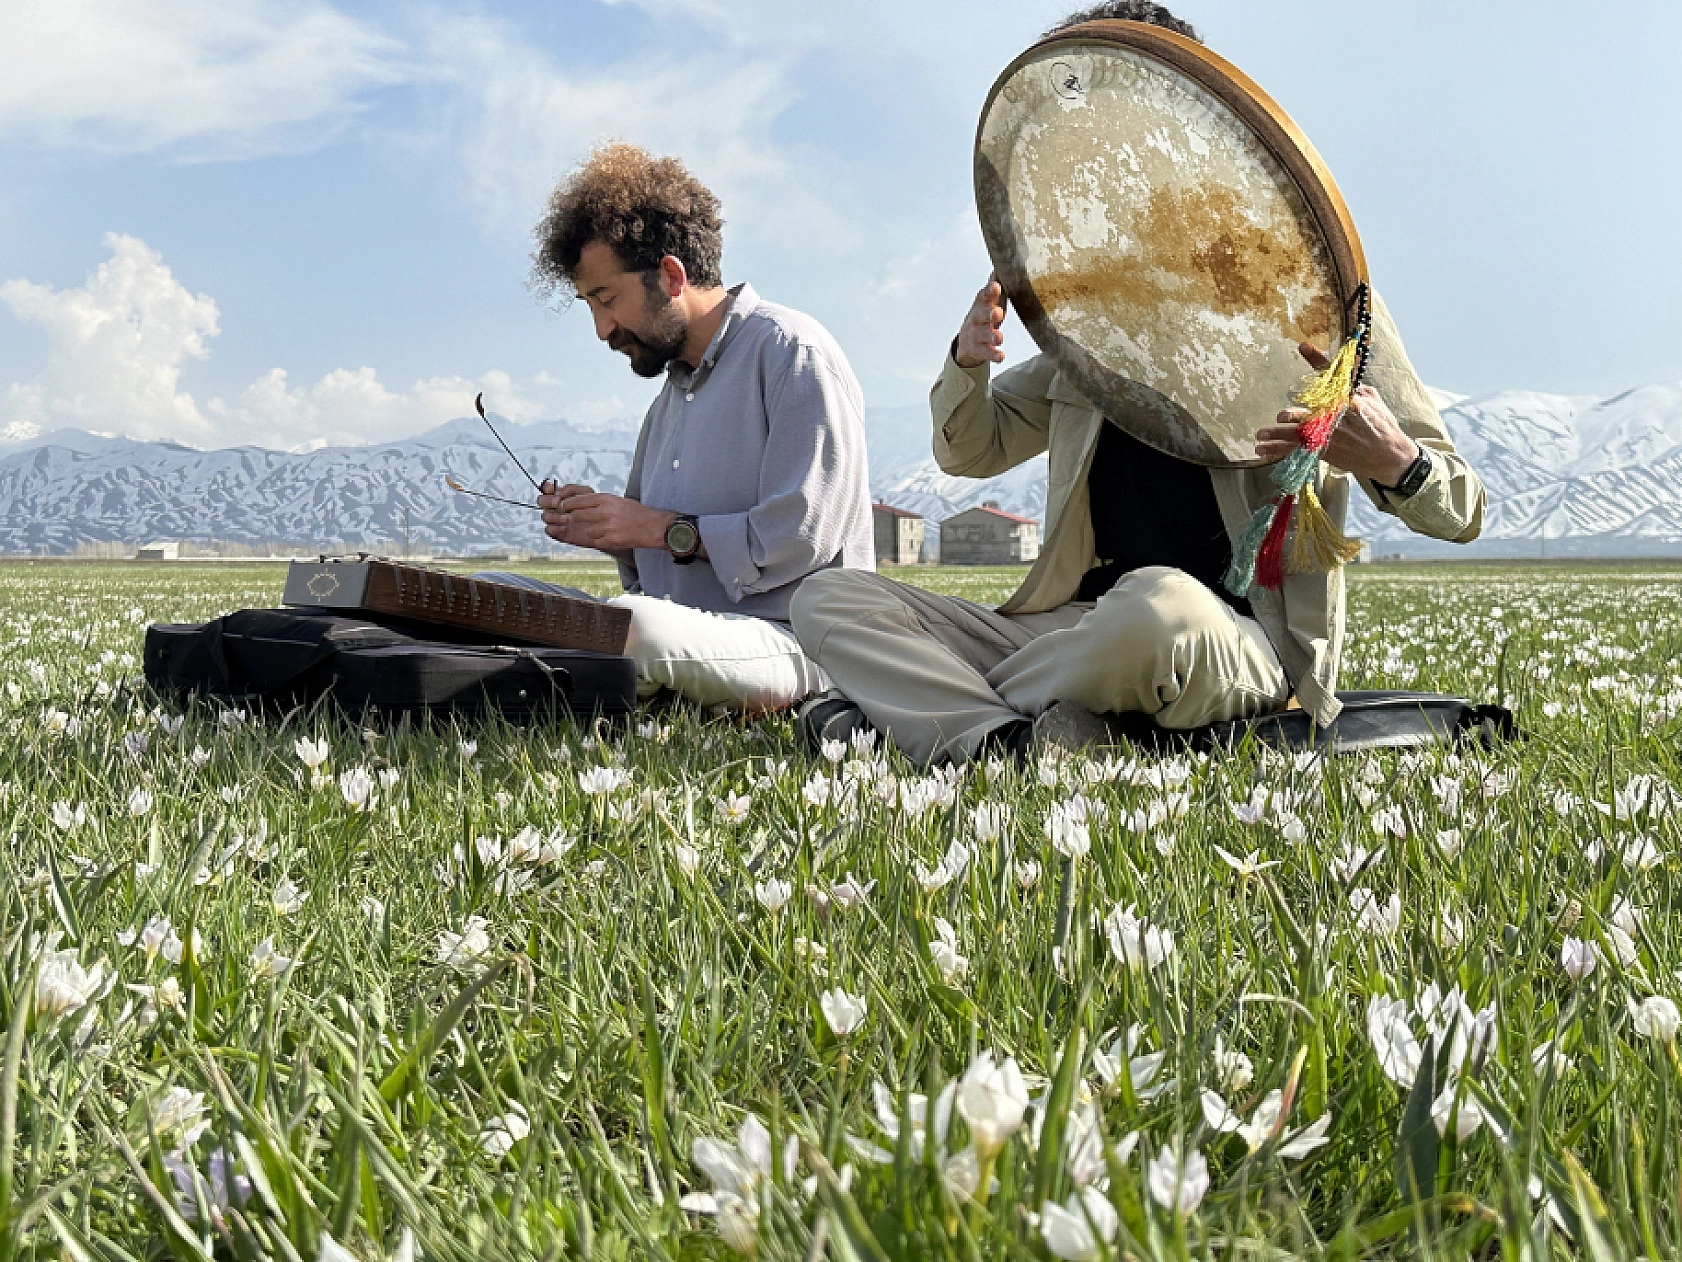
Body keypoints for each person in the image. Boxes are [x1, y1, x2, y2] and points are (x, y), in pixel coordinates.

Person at [791, 1, 1486, 765]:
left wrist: (1395, 461)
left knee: (1156, 608)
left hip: (1225, 637)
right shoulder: (1102, 317)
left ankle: (926, 708)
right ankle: (1004, 742)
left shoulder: (1319, 301)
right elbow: (970, 451)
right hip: (1075, 627)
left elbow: (1463, 511)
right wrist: (967, 361)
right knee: (829, 596)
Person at [485, 143, 874, 712]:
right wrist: (608, 529)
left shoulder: (792, 352)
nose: (601, 329)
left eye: (606, 298)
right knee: (488, 594)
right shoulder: (667, 402)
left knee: (633, 626)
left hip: (799, 644)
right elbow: (651, 572)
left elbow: (800, 539)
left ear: (671, 275)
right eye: (590, 305)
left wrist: (653, 527)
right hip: (681, 637)